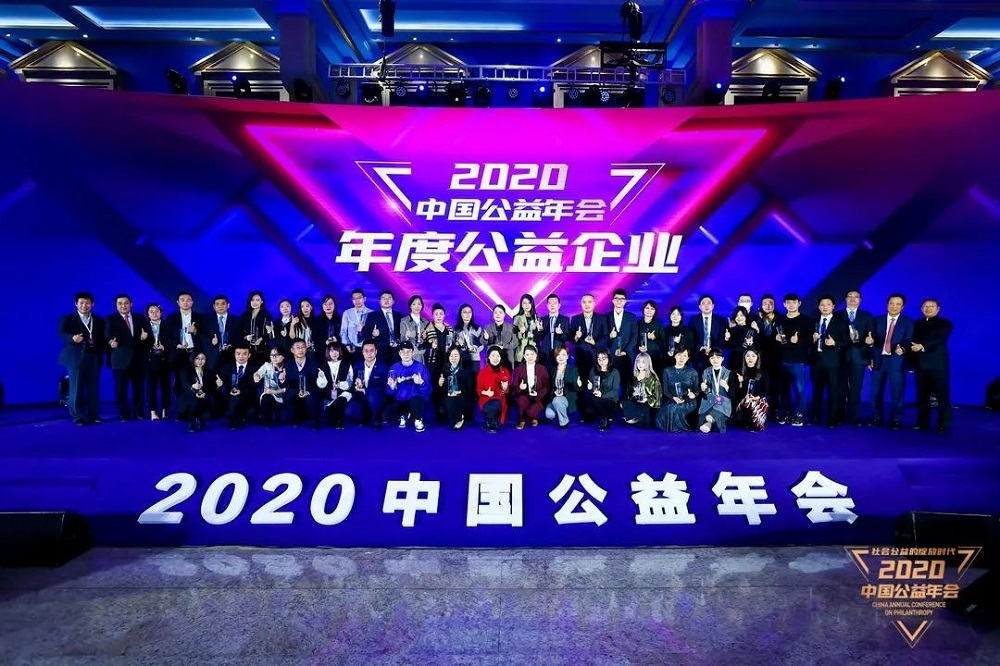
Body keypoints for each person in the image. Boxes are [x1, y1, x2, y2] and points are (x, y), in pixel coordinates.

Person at [59, 291, 105, 425]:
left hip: (94, 356)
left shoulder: (99, 320)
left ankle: (93, 415)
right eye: (82, 303)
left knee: (93, 388)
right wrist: (72, 337)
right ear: (76, 304)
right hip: (75, 357)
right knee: (76, 387)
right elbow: (61, 333)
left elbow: (103, 337)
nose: (84, 306)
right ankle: (78, 416)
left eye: (87, 303)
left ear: (92, 304)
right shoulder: (68, 318)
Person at [869, 293, 913, 429]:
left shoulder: (908, 322)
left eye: (898, 304)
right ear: (887, 305)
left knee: (897, 392)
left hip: (897, 361)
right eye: (891, 303)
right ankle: (877, 417)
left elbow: (908, 339)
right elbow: (871, 340)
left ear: (902, 307)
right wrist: (869, 357)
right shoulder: (877, 320)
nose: (894, 306)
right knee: (875, 392)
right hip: (878, 360)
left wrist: (903, 348)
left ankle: (896, 419)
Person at [105, 293, 149, 421]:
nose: (123, 306)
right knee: (121, 388)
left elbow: (147, 337)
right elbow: (105, 337)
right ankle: (123, 414)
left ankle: (139, 412)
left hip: (138, 359)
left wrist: (144, 338)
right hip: (120, 359)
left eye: (126, 303)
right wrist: (110, 342)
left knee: (138, 387)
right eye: (120, 303)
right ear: (116, 306)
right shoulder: (110, 319)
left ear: (131, 304)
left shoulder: (139, 318)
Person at [835, 289, 875, 426]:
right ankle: (839, 416)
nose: (853, 299)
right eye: (850, 296)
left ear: (860, 300)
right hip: (840, 356)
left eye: (856, 297)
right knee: (840, 387)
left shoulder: (867, 316)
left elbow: (871, 336)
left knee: (856, 388)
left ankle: (855, 416)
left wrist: (870, 342)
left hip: (859, 357)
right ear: (845, 299)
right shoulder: (837, 315)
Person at [911, 299, 952, 433]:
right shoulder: (916, 324)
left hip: (937, 364)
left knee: (942, 395)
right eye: (925, 306)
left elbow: (939, 339)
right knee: (922, 395)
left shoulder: (945, 323)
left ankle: (943, 423)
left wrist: (922, 346)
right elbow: (911, 342)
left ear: (938, 308)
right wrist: (910, 363)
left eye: (931, 306)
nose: (928, 308)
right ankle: (922, 423)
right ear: (921, 309)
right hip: (920, 364)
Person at [775, 293, 813, 426]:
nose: (791, 305)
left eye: (794, 302)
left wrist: (798, 341)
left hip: (798, 360)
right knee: (783, 389)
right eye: (788, 302)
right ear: (784, 304)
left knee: (800, 389)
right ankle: (787, 413)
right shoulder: (780, 320)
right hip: (782, 360)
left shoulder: (806, 320)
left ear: (799, 303)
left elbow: (810, 341)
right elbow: (776, 338)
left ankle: (799, 414)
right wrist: (776, 338)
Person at [810, 294, 848, 427]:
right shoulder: (814, 322)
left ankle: (832, 419)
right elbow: (808, 343)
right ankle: (815, 417)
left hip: (833, 363)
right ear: (818, 307)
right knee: (816, 391)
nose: (825, 307)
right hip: (816, 362)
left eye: (828, 304)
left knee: (833, 392)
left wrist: (835, 343)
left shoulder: (840, 322)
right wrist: (812, 341)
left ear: (833, 306)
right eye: (822, 304)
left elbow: (846, 342)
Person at [385, 341, 431, 432]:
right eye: (403, 352)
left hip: (416, 400)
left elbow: (429, 391)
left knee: (415, 400)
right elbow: (389, 391)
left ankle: (417, 419)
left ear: (413, 353)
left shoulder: (421, 367)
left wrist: (421, 383)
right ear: (399, 353)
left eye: (408, 351)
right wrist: (392, 388)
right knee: (386, 416)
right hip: (401, 400)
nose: (405, 354)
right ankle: (406, 414)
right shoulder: (393, 368)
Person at [284, 338, 325, 429]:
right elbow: (286, 383)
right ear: (292, 350)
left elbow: (318, 384)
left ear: (306, 348)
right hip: (294, 390)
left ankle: (315, 422)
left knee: (312, 398)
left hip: (310, 390)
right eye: (298, 347)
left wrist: (308, 391)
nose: (301, 350)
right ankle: (295, 419)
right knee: (289, 399)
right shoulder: (287, 364)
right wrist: (282, 379)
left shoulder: (314, 363)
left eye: (303, 347)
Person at [657, 348, 699, 432]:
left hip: (688, 401)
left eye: (684, 356)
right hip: (672, 399)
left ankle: (681, 428)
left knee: (674, 408)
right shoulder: (667, 371)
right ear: (675, 356)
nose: (681, 358)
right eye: (679, 355)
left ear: (688, 358)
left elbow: (697, 390)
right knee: (669, 407)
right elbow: (666, 390)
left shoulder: (692, 372)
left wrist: (693, 394)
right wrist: (674, 398)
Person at [569, 293, 608, 383]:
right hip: (580, 357)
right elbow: (570, 339)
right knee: (581, 383)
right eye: (584, 302)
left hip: (596, 357)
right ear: (581, 304)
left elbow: (606, 336)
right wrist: (576, 337)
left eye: (589, 302)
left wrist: (595, 343)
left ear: (594, 303)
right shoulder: (575, 319)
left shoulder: (601, 318)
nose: (587, 304)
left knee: (596, 382)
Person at [348, 340, 387, 428]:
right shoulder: (357, 365)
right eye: (366, 351)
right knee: (349, 411)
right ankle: (365, 415)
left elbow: (383, 387)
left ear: (376, 351)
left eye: (371, 350)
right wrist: (356, 384)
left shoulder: (383, 367)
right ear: (362, 352)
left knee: (373, 397)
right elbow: (352, 383)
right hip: (360, 396)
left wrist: (366, 390)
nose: (369, 354)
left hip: (376, 397)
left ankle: (376, 418)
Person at [730, 348, 770, 431]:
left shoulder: (763, 372)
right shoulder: (739, 372)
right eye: (748, 356)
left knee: (754, 424)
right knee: (739, 420)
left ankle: (756, 419)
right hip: (744, 401)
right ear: (744, 357)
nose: (750, 358)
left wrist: (756, 398)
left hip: (757, 401)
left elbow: (766, 390)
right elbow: (736, 393)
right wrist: (741, 383)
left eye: (753, 356)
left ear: (757, 358)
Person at [144, 303, 172, 421]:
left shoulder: (168, 325)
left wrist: (164, 347)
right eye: (151, 311)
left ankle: (165, 410)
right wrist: (142, 339)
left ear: (161, 313)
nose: (154, 313)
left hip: (164, 360)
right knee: (151, 387)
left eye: (157, 311)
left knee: (166, 387)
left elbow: (173, 341)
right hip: (149, 361)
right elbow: (138, 345)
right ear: (148, 314)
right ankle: (153, 412)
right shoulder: (143, 326)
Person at [437, 346, 476, 429]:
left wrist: (460, 391)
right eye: (451, 356)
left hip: (463, 397)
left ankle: (459, 419)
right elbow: (441, 390)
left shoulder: (467, 370)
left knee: (451, 400)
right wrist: (440, 384)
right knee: (444, 407)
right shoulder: (445, 369)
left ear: (460, 357)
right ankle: (457, 417)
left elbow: (471, 389)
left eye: (456, 355)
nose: (453, 358)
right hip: (449, 396)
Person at [219, 342, 256, 429]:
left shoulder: (254, 369)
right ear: (234, 354)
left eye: (244, 354)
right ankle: (233, 417)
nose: (241, 357)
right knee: (232, 399)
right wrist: (219, 384)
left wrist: (241, 391)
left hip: (247, 398)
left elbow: (254, 387)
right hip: (230, 397)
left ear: (249, 355)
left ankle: (236, 417)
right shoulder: (226, 367)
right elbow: (222, 384)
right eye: (238, 354)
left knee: (250, 412)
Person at [362, 290, 404, 365]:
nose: (386, 300)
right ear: (379, 301)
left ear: (393, 301)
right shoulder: (372, 315)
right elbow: (366, 335)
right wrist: (373, 335)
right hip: (381, 352)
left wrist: (398, 342)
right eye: (383, 298)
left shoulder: (400, 316)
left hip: (397, 351)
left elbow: (401, 333)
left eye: (389, 298)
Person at [512, 345, 549, 428]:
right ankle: (522, 420)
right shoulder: (519, 369)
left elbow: (547, 386)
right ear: (524, 356)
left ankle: (533, 417)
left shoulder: (542, 369)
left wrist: (538, 394)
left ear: (536, 355)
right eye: (527, 355)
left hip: (538, 397)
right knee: (522, 401)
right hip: (524, 395)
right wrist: (520, 388)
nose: (530, 357)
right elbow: (514, 388)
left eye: (532, 354)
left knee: (532, 412)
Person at [607, 289, 638, 386]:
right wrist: (609, 336)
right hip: (611, 355)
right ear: (613, 301)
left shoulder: (631, 317)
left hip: (627, 355)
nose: (619, 301)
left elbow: (634, 335)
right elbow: (602, 336)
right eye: (617, 298)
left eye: (622, 299)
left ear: (625, 301)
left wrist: (626, 350)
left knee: (627, 383)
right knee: (610, 382)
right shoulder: (606, 317)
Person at [622, 352, 662, 428]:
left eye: (643, 362)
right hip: (635, 401)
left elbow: (658, 397)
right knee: (623, 403)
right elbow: (628, 393)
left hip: (647, 404)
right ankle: (633, 417)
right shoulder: (633, 376)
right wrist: (633, 394)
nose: (640, 364)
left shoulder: (653, 378)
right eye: (638, 362)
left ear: (648, 363)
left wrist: (647, 399)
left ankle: (636, 418)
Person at [180, 351, 217, 433]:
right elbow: (183, 385)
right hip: (190, 397)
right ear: (193, 358)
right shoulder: (186, 370)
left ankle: (200, 417)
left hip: (204, 398)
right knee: (194, 400)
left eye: (203, 359)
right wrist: (192, 387)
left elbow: (212, 387)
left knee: (208, 415)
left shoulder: (209, 371)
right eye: (197, 358)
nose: (200, 361)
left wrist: (206, 392)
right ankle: (191, 421)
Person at [318, 342, 353, 429]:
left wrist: (340, 384)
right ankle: (334, 418)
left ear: (339, 351)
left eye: (336, 350)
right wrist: (321, 377)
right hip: (328, 394)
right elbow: (321, 385)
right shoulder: (323, 366)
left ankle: (338, 420)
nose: (334, 353)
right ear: (328, 352)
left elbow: (350, 382)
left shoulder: (346, 364)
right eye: (331, 351)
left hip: (343, 392)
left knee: (341, 400)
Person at [477, 346, 511, 433]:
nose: (495, 358)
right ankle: (490, 421)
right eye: (493, 355)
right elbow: (478, 389)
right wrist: (486, 392)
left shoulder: (505, 371)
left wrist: (505, 388)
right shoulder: (482, 372)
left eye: (498, 356)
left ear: (501, 358)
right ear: (488, 357)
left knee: (499, 403)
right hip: (486, 399)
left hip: (500, 399)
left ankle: (492, 421)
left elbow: (507, 391)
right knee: (495, 404)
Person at [688, 295, 726, 371]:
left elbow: (721, 339)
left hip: (715, 355)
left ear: (713, 306)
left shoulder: (721, 321)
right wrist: (701, 347)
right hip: (698, 355)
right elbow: (691, 338)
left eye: (709, 303)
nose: (706, 306)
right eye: (703, 303)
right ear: (699, 306)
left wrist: (713, 349)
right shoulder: (693, 320)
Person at [585, 348, 620, 431]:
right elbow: (593, 389)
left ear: (609, 358)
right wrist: (590, 388)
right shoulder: (593, 370)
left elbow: (615, 392)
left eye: (604, 359)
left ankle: (605, 419)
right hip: (596, 399)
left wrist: (602, 395)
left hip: (610, 401)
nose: (601, 361)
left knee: (595, 401)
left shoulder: (614, 372)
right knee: (588, 411)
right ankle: (604, 415)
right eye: (599, 359)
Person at [544, 346, 580, 429]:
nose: (560, 357)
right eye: (558, 355)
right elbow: (550, 387)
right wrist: (554, 392)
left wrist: (578, 384)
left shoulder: (573, 369)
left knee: (557, 400)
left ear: (567, 356)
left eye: (563, 355)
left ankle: (564, 422)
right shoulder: (553, 370)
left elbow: (577, 388)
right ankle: (560, 409)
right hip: (556, 397)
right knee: (549, 414)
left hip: (567, 397)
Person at [698, 349, 732, 433]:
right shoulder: (706, 371)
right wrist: (703, 388)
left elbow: (733, 393)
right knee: (702, 416)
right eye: (712, 358)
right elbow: (706, 391)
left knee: (716, 414)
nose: (715, 360)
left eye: (718, 357)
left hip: (722, 401)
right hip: (708, 401)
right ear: (709, 359)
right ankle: (709, 423)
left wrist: (726, 386)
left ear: (723, 358)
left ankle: (708, 424)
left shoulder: (728, 373)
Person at [254, 347, 288, 427]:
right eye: (272, 355)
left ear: (283, 356)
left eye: (277, 355)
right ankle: (266, 420)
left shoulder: (288, 367)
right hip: (270, 394)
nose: (274, 357)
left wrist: (276, 389)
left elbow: (289, 387)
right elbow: (258, 373)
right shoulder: (267, 365)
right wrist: (257, 376)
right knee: (266, 398)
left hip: (284, 394)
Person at [206, 295, 239, 371]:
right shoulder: (207, 321)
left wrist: (232, 345)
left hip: (230, 356)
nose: (220, 306)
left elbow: (239, 337)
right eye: (217, 304)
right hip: (213, 356)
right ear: (214, 306)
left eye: (223, 303)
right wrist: (211, 341)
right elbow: (203, 336)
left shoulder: (236, 321)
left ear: (228, 305)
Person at [539, 294, 570, 366]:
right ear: (547, 305)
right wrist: (539, 330)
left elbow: (567, 338)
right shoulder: (542, 320)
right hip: (545, 354)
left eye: (555, 303)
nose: (552, 305)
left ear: (559, 305)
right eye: (550, 303)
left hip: (559, 353)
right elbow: (539, 338)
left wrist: (560, 334)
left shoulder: (565, 319)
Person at [512, 294, 543, 363]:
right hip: (521, 350)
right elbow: (513, 335)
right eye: (524, 303)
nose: (527, 305)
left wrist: (536, 329)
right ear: (521, 305)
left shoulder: (537, 317)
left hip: (534, 350)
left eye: (529, 303)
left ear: (532, 304)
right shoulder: (517, 318)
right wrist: (520, 332)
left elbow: (540, 338)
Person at [399, 295, 430, 365]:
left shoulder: (426, 322)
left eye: (419, 304)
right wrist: (406, 336)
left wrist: (426, 337)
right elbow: (402, 340)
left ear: (422, 306)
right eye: (414, 304)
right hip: (409, 355)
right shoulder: (404, 321)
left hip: (422, 354)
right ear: (410, 306)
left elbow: (429, 341)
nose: (417, 306)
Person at [341, 289, 372, 358]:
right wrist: (347, 345)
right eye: (354, 299)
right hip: (352, 348)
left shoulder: (371, 313)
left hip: (368, 348)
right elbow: (343, 332)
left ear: (364, 299)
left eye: (359, 298)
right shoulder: (347, 313)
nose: (357, 300)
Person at [637, 301, 666, 372]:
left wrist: (654, 338)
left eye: (652, 309)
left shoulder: (658, 323)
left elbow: (663, 343)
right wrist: (639, 347)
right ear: (643, 309)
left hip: (656, 357)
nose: (649, 310)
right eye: (647, 308)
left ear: (655, 311)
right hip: (641, 357)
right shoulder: (638, 323)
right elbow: (634, 340)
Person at [454, 303, 484, 370]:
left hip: (474, 359)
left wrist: (475, 348)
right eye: (464, 312)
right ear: (460, 314)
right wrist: (458, 345)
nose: (467, 314)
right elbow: (453, 346)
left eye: (469, 312)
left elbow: (481, 345)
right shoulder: (456, 330)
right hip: (461, 359)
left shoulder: (477, 328)